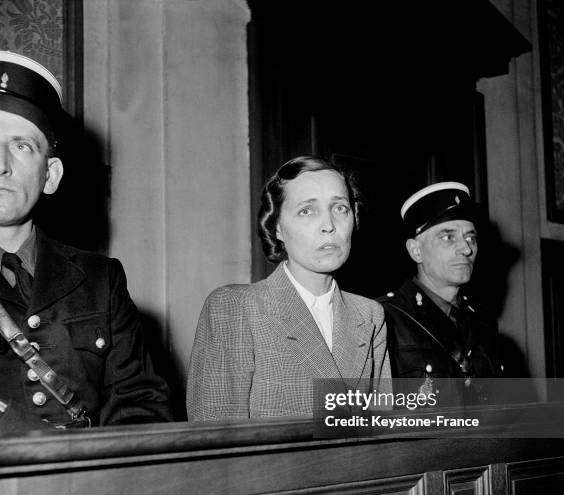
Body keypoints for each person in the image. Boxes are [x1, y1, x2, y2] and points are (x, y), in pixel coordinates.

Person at [0, 50, 171, 429]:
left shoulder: (100, 280)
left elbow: (140, 411)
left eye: (21, 145)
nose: (1, 163)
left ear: (50, 176)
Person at [186, 156, 390, 419]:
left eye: (340, 208)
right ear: (278, 227)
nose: (329, 225)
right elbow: (217, 443)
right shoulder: (235, 308)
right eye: (307, 210)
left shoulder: (370, 314)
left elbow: (385, 430)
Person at [378, 181, 503, 402]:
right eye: (448, 237)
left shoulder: (482, 320)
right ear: (416, 250)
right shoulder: (383, 318)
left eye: (471, 238)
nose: (466, 249)